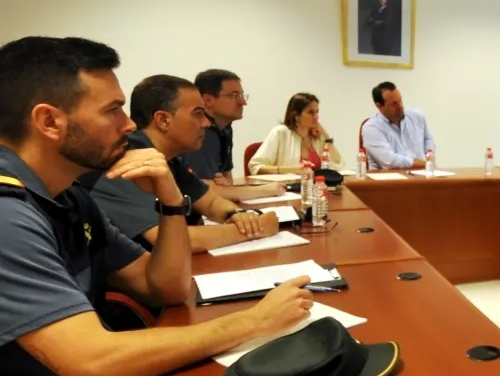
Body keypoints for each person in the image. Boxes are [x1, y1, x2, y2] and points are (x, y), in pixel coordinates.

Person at [0, 36, 313, 376]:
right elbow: (92, 364)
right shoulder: (7, 214)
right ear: (49, 122)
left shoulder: (70, 197)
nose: (130, 124)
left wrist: (170, 200)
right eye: (113, 111)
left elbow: (165, 287)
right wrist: (253, 322)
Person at [82, 75, 280, 253]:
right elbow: (166, 240)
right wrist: (257, 229)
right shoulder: (127, 159)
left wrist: (237, 214)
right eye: (198, 114)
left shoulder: (170, 158)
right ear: (163, 120)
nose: (206, 123)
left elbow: (210, 202)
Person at [183, 69, 283, 202]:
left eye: (242, 95)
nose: (243, 102)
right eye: (234, 95)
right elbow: (203, 189)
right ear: (207, 100)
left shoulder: (225, 127)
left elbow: (227, 179)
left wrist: (226, 187)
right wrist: (266, 190)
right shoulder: (201, 131)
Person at [249, 92, 345, 175]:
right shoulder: (280, 133)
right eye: (310, 112)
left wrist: (326, 136)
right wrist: (293, 169)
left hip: (315, 189)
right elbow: (256, 167)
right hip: (285, 190)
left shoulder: (317, 137)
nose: (316, 116)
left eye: (317, 112)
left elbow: (338, 164)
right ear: (296, 116)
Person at [361, 81, 435, 170]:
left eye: (400, 100)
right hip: (388, 180)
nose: (400, 106)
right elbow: (390, 161)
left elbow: (427, 139)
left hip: (421, 176)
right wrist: (423, 164)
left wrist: (429, 154)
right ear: (379, 106)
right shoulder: (371, 128)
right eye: (394, 103)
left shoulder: (417, 117)